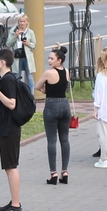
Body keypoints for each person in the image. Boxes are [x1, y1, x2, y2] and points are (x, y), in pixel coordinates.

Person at [0, 48, 24, 211]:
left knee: (11, 166)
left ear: (2, 62)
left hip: (10, 128)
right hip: (6, 127)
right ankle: (13, 201)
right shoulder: (4, 79)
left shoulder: (8, 80)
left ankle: (16, 206)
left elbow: (11, 104)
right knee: (8, 166)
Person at [35, 46, 72, 185]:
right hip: (65, 105)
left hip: (51, 106)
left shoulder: (48, 73)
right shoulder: (66, 71)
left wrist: (46, 90)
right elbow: (62, 86)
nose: (49, 60)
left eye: (52, 58)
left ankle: (53, 173)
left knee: (51, 140)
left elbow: (38, 86)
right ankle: (65, 171)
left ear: (59, 60)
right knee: (65, 139)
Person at [5, 14, 37, 87]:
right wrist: (15, 36)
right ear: (18, 22)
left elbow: (34, 45)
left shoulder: (30, 32)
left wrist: (28, 43)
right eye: (20, 21)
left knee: (30, 77)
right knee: (17, 77)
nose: (22, 23)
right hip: (17, 57)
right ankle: (18, 95)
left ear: (27, 22)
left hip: (27, 57)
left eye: (24, 21)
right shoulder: (13, 31)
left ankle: (31, 96)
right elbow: (8, 44)